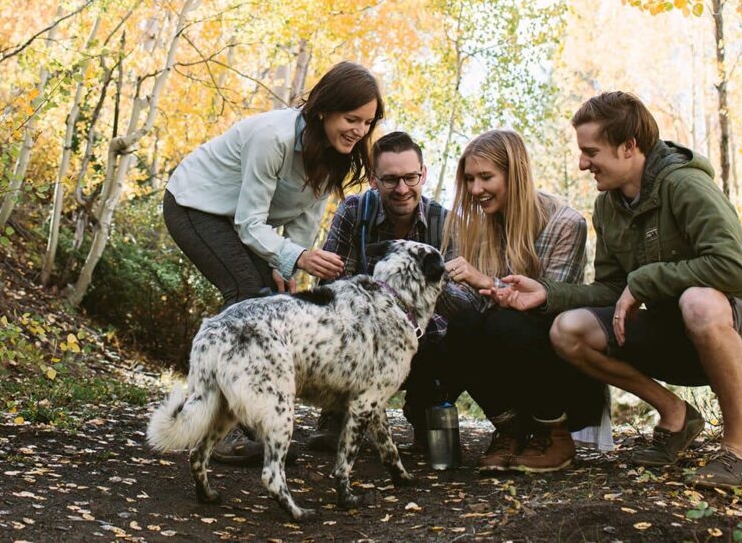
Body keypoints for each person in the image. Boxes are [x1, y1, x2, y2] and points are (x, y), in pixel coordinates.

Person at [487, 91, 742, 486]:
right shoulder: (608, 206)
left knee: (699, 301)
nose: (582, 163)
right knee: (569, 329)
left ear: (629, 147)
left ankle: (738, 451)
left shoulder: (686, 185)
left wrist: (644, 281)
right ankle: (676, 415)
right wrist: (548, 293)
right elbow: (612, 289)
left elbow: (731, 268)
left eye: (591, 151)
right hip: (677, 336)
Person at [162, 60, 383, 464]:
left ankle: (244, 422)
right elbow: (250, 223)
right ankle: (232, 428)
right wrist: (297, 257)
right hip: (194, 204)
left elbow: (305, 218)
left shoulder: (335, 152)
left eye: (368, 123)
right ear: (323, 110)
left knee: (269, 302)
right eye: (352, 119)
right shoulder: (273, 137)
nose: (360, 131)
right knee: (246, 296)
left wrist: (287, 271)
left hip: (237, 221)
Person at [435, 129, 598, 473]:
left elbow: (552, 307)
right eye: (469, 179)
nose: (475, 189)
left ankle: (554, 435)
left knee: (507, 322)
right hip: (503, 356)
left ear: (515, 174)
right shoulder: (471, 226)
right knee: (458, 324)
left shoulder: (564, 223)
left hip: (559, 370)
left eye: (486, 177)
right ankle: (510, 430)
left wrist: (483, 280)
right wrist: (432, 287)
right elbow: (468, 309)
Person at [305, 130, 448, 452]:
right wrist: (381, 313)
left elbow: (459, 300)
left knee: (456, 330)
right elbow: (330, 283)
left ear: (423, 174)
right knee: (330, 321)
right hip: (358, 328)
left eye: (411, 178)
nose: (402, 189)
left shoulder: (443, 222)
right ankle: (336, 412)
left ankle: (426, 413)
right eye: (390, 180)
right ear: (373, 180)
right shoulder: (354, 211)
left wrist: (411, 321)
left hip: (422, 332)